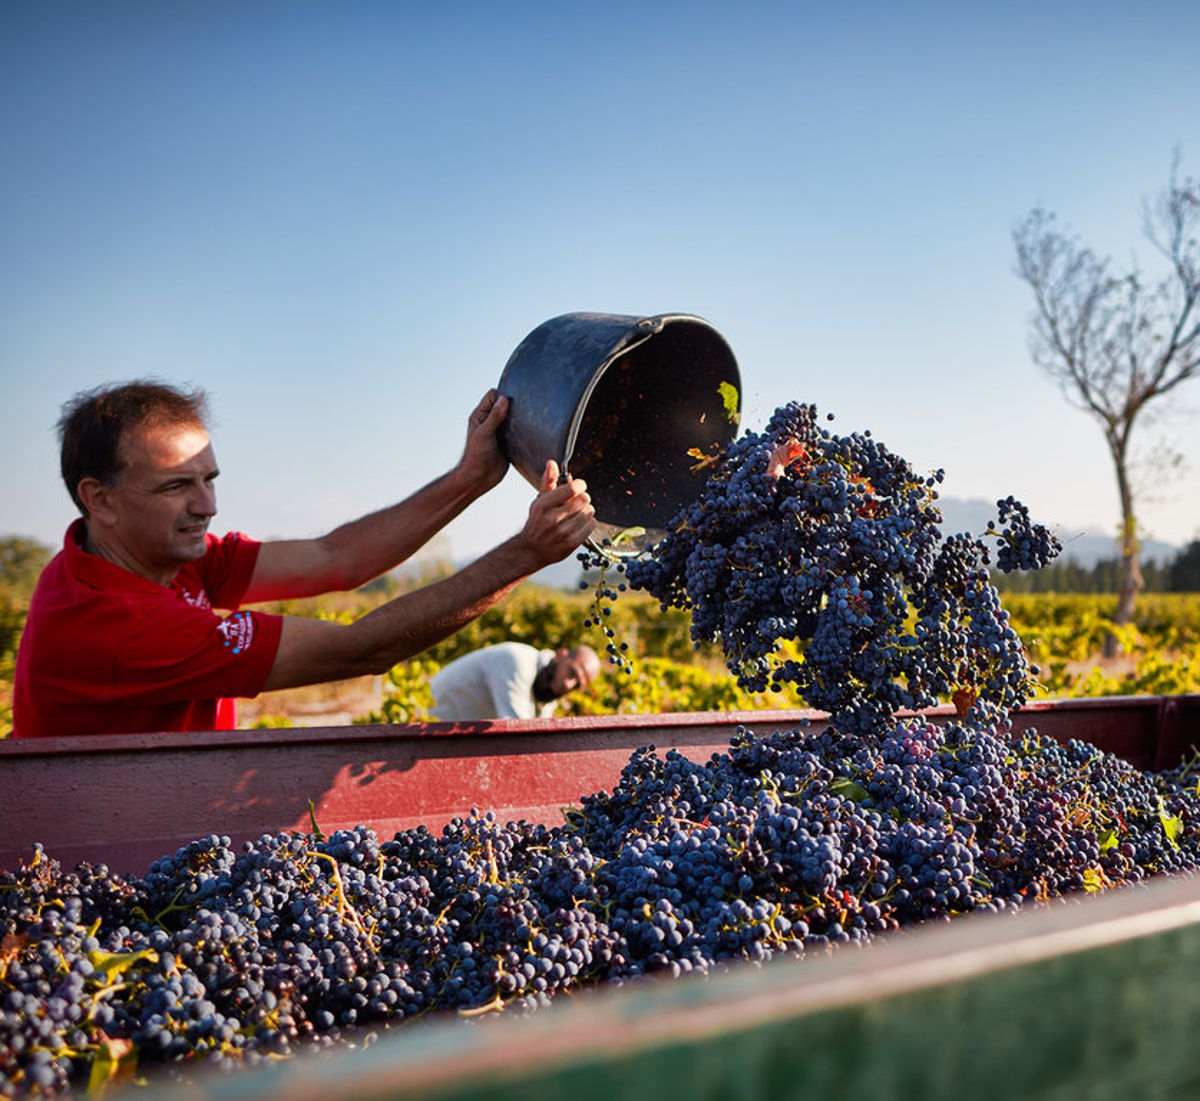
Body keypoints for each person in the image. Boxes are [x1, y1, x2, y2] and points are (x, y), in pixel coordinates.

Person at [12, 380, 595, 739]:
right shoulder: (114, 625)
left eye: (210, 479)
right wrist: (525, 554)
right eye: (175, 487)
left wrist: (469, 479)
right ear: (100, 499)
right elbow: (364, 648)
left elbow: (336, 557)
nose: (207, 506)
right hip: (96, 869)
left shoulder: (160, 555)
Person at [428, 642, 601, 722]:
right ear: (561, 654)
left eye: (577, 684)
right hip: (422, 728)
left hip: (447, 743)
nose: (568, 685)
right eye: (571, 673)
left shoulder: (546, 691)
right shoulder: (517, 662)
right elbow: (518, 735)